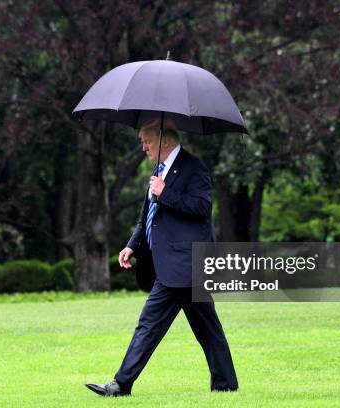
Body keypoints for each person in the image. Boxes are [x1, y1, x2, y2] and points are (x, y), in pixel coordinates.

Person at [85, 119, 238, 397]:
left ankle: (121, 384)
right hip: (174, 265)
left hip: (185, 265)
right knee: (208, 329)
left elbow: (202, 208)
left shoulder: (194, 168)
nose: (143, 147)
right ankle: (226, 385)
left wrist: (166, 192)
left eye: (147, 141)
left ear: (164, 141)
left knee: (149, 323)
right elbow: (147, 218)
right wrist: (132, 245)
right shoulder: (158, 171)